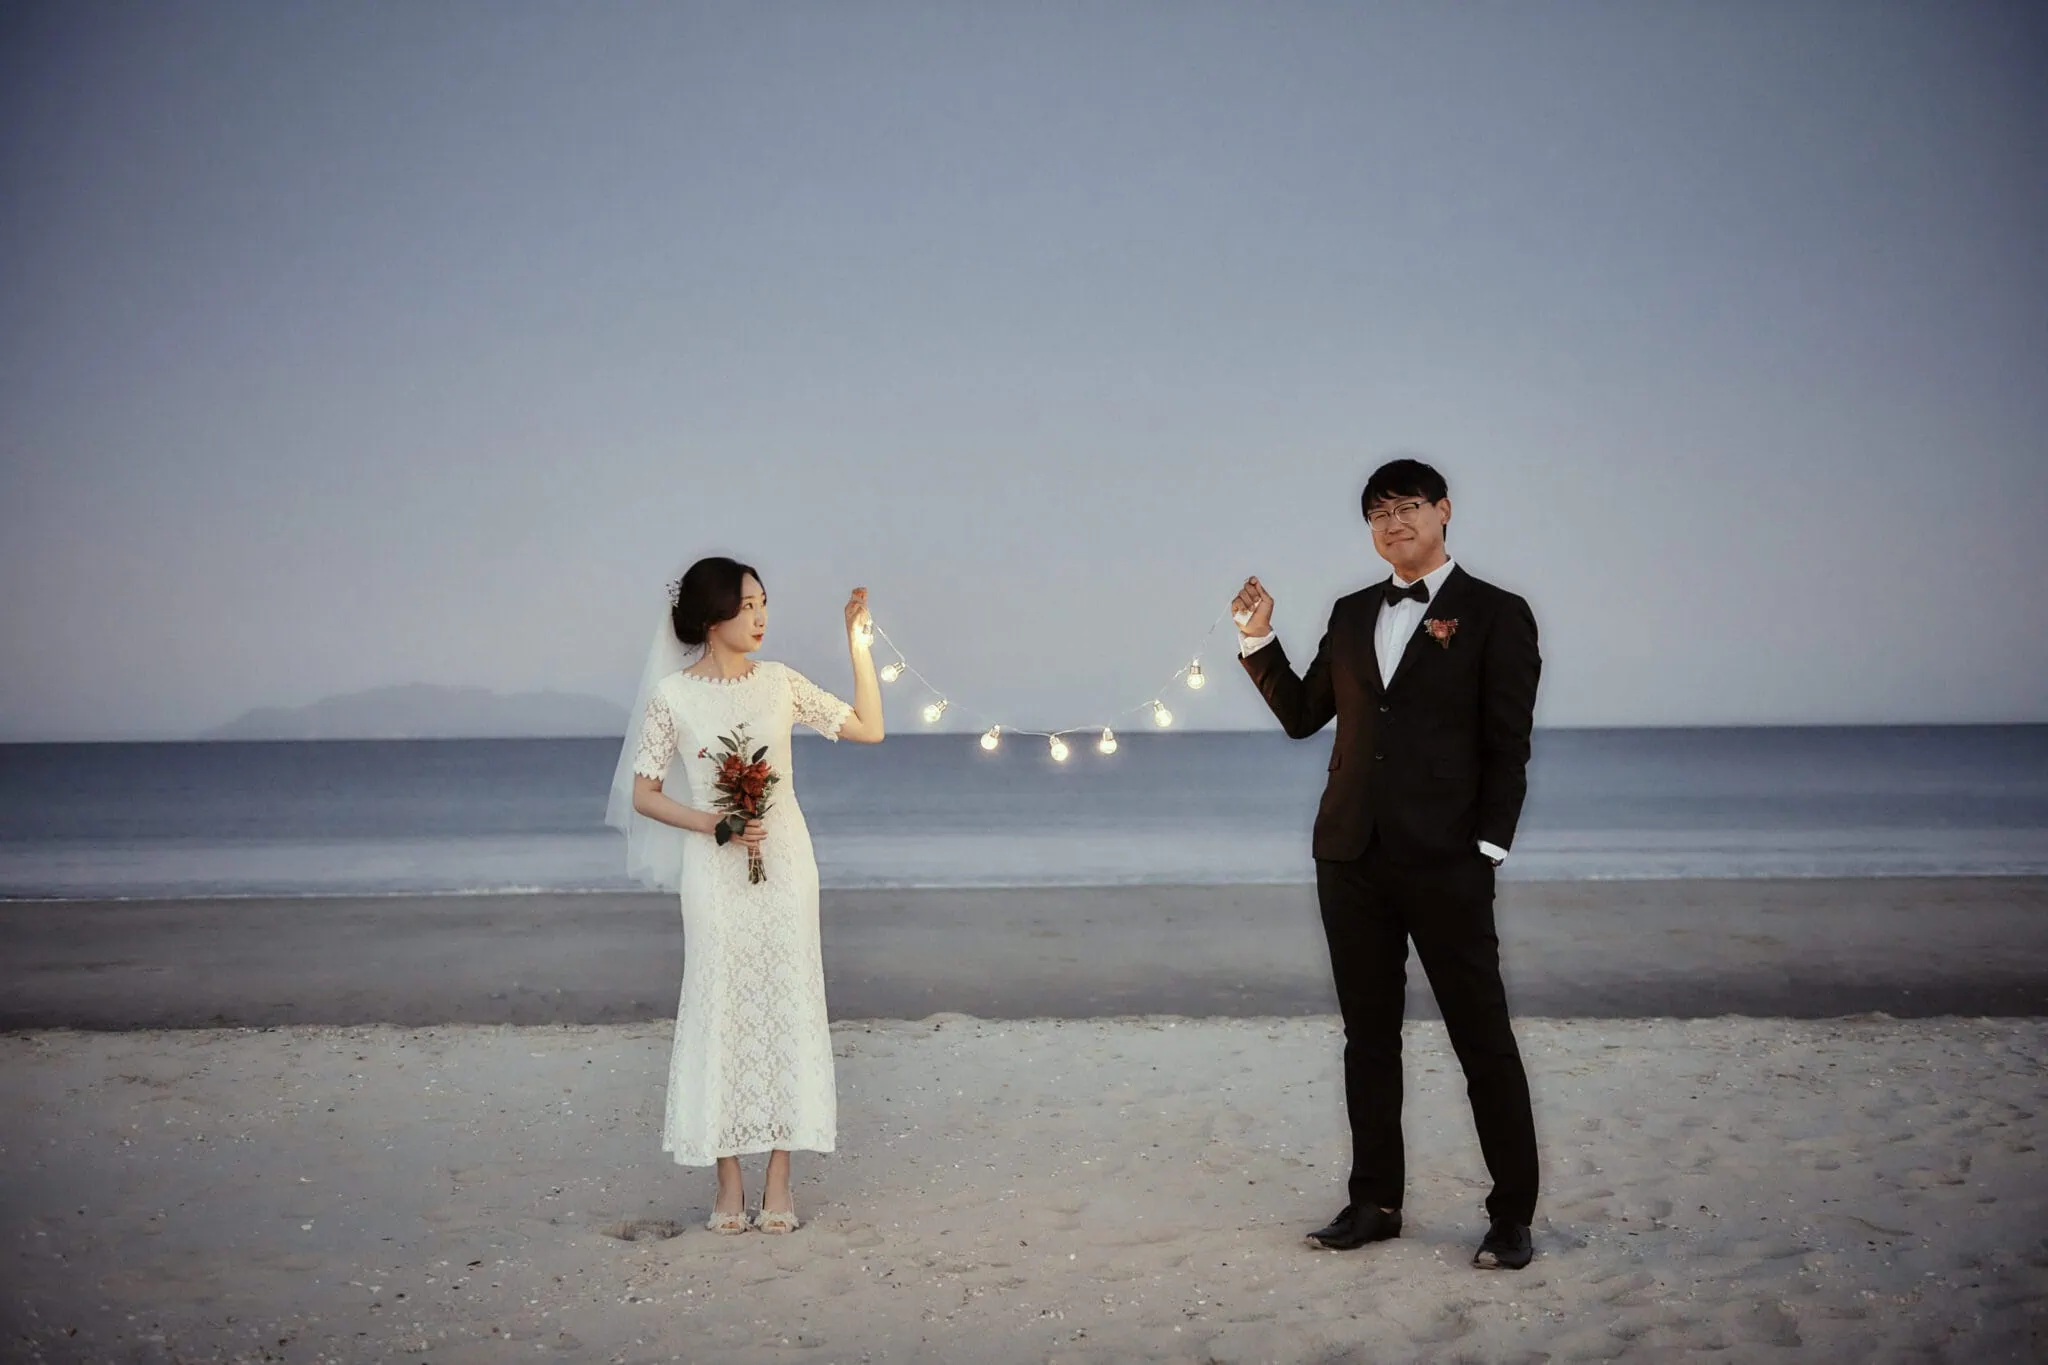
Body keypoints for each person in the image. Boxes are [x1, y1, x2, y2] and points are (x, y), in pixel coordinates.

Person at [1233, 457, 1542, 1270]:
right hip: (1350, 855)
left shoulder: (1497, 613)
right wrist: (1256, 636)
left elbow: (1509, 742)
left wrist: (1488, 845)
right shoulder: (1349, 612)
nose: (1394, 523)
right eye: (1379, 513)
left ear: (1443, 510)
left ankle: (1511, 1215)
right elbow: (1303, 714)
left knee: (1482, 1038)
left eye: (1408, 506)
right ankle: (1375, 1201)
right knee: (1367, 1038)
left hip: (1448, 860)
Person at [605, 557, 883, 1234]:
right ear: (712, 616)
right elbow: (643, 793)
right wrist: (714, 824)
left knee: (788, 1002)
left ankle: (779, 1178)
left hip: (786, 864)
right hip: (714, 870)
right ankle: (728, 1178)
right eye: (746, 604)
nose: (760, 617)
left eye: (763, 603)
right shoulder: (673, 696)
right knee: (720, 1004)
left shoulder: (779, 682)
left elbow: (868, 728)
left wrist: (857, 644)